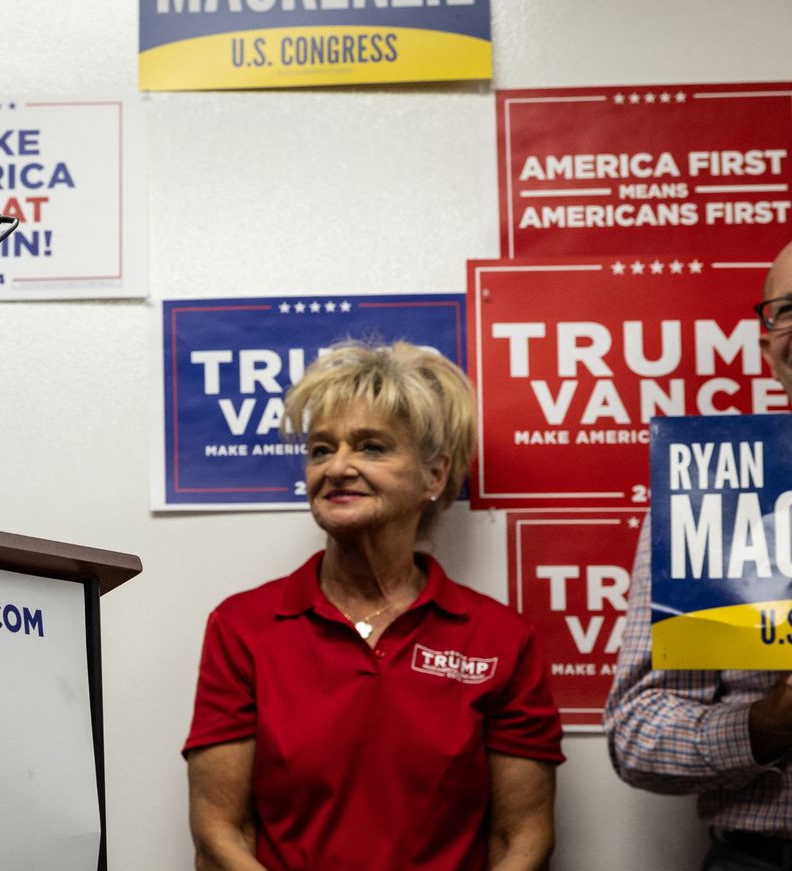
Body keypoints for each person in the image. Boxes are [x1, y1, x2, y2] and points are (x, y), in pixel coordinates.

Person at [184, 342, 563, 870]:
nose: (337, 467)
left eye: (371, 447)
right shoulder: (243, 627)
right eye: (321, 449)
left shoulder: (500, 639)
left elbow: (520, 839)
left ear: (434, 475)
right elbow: (220, 831)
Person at [604, 239, 792, 870]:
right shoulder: (713, 494)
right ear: (768, 347)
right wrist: (768, 725)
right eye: (789, 308)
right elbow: (636, 732)